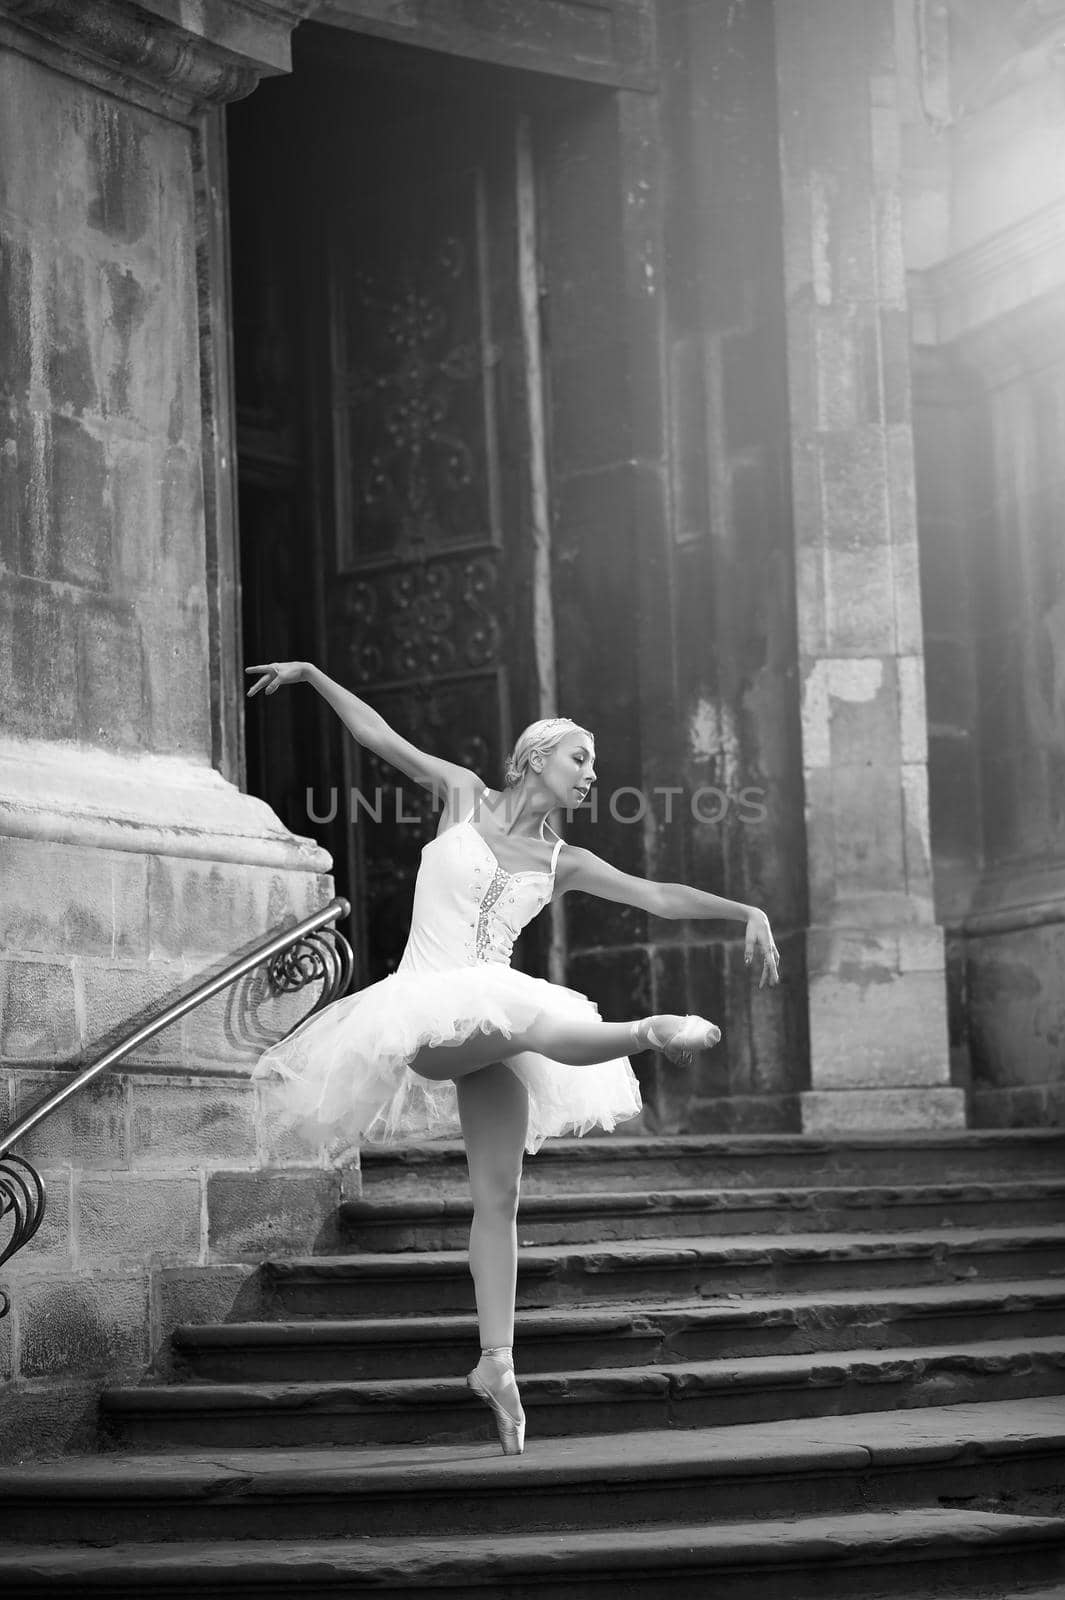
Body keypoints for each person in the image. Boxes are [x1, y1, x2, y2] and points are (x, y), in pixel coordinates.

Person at [247, 660, 781, 1456]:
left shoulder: (564, 862)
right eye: (580, 760)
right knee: (533, 1014)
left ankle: (495, 1363)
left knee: (499, 1196)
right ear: (535, 757)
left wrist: (748, 909)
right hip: (426, 1013)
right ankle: (648, 1030)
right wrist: (313, 675)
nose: (591, 776)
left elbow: (659, 895)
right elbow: (377, 735)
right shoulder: (462, 795)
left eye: (594, 767)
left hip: (494, 1026)